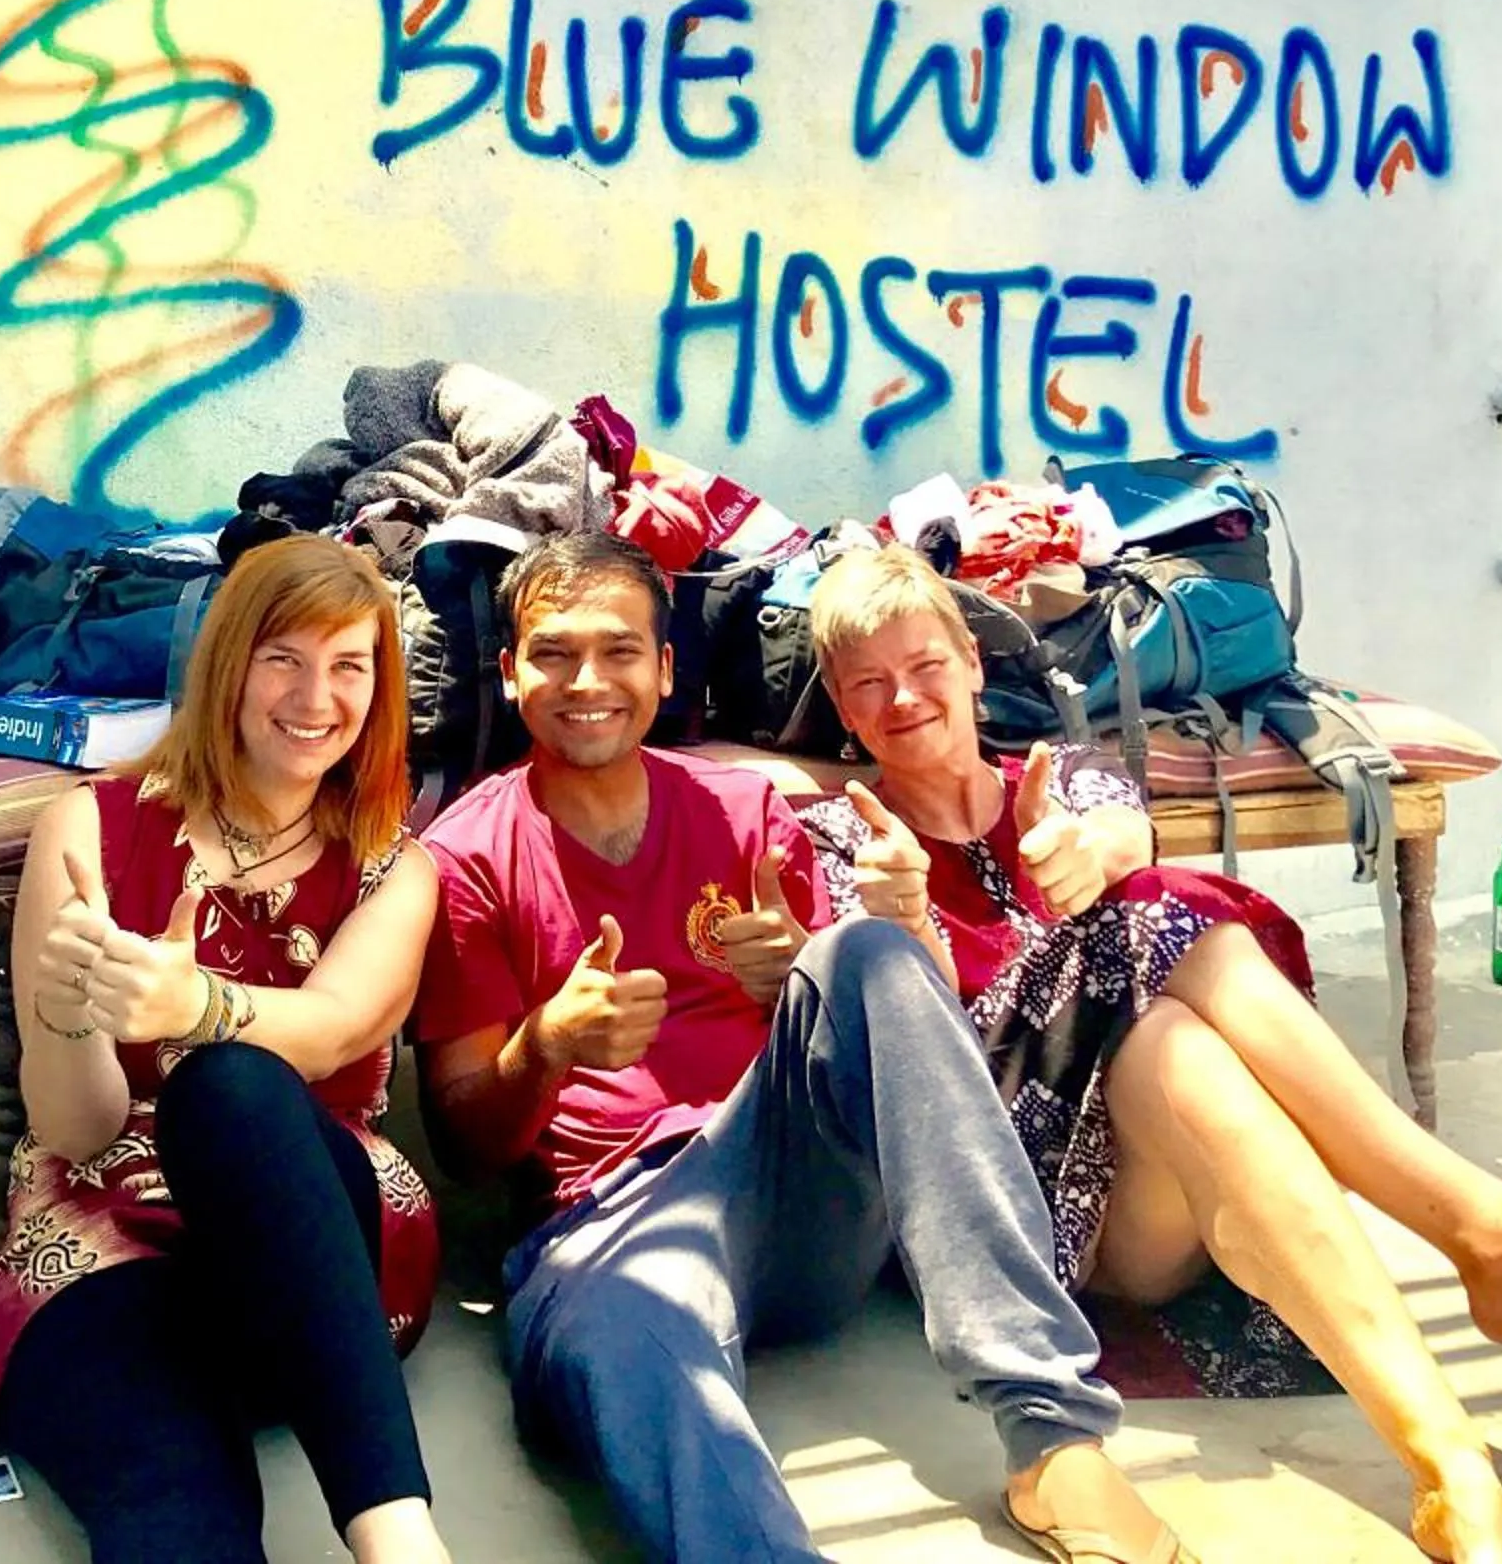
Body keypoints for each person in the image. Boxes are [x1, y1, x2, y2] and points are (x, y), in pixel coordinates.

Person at [800, 544, 1502, 1564]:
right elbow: (901, 1067)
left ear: (971, 663)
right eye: (869, 683)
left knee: (1174, 1031)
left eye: (924, 666)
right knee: (1151, 925)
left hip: (1146, 1204)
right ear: (845, 709)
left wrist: (1092, 855)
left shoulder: (1069, 777)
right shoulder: (839, 839)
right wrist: (905, 921)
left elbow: (1123, 840)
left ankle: (1455, 1474)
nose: (903, 697)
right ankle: (1489, 1235)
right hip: (1016, 1229)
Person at [412, 531, 1197, 1564]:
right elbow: (465, 1143)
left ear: (666, 670)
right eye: (553, 654)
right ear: (512, 674)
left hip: (801, 1195)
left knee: (866, 954)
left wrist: (793, 982)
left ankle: (1054, 1439)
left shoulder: (746, 815)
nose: (587, 681)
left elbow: (866, 1041)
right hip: (612, 1221)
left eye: (619, 651)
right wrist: (546, 1047)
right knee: (614, 1340)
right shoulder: (464, 856)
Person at [0, 535, 451, 1564]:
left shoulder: (395, 869)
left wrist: (194, 1004)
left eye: (349, 665)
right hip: (108, 1234)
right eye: (284, 657)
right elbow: (78, 1130)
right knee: (171, 1500)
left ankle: (400, 1542)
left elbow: (328, 1033)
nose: (317, 696)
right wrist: (70, 1011)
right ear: (228, 664)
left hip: (310, 1236)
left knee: (228, 1085)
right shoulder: (86, 830)